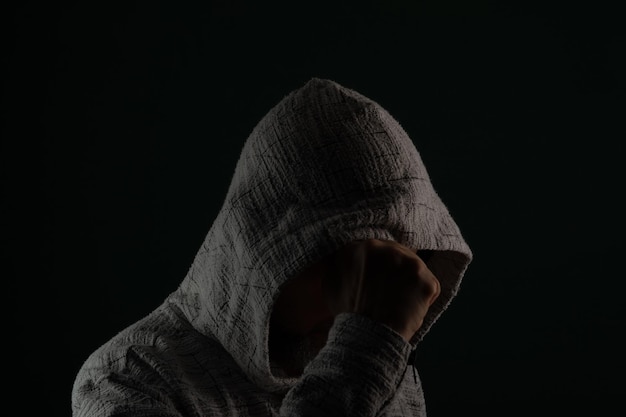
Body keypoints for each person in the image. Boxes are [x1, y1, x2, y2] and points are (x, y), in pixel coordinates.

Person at [71, 77, 473, 416]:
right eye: (347, 262)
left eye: (392, 267)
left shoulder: (379, 362)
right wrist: (364, 352)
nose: (364, 294)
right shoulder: (126, 379)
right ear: (261, 250)